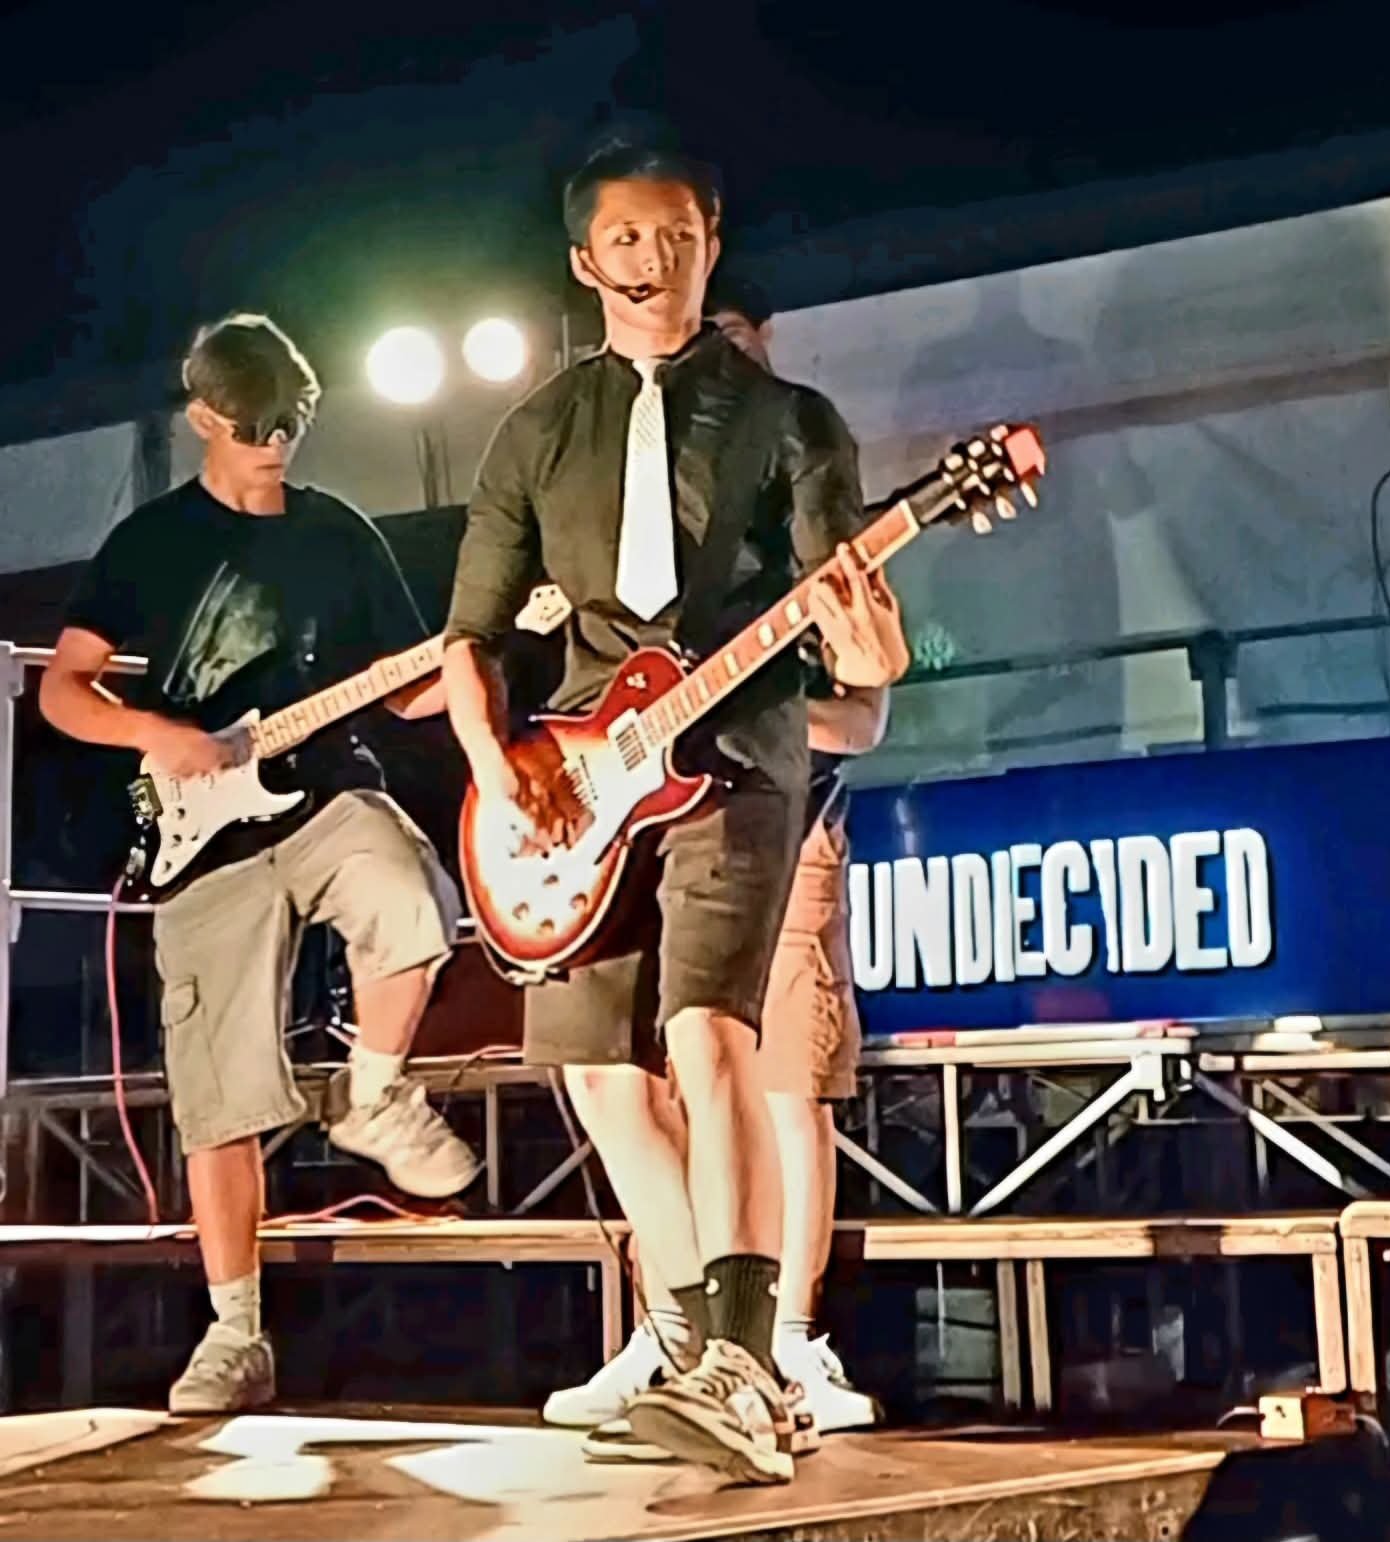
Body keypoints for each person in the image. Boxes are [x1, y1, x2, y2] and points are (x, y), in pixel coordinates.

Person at [442, 137, 887, 1484]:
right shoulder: (537, 428)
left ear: (711, 245)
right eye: (628, 239)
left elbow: (850, 627)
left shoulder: (789, 418)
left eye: (679, 236)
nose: (655, 259)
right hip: (582, 770)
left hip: (737, 759)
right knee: (597, 1069)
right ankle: (692, 1336)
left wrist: (870, 648)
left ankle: (748, 1357)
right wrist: (495, 760)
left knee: (707, 1031)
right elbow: (470, 637)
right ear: (586, 260)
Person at [39, 314, 479, 1415]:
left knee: (413, 894)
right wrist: (155, 733)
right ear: (202, 417)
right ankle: (235, 1335)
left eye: (292, 423)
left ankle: (374, 1095)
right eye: (253, 427)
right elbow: (63, 688)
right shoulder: (150, 542)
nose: (275, 444)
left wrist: (471, 670)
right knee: (220, 1096)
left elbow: (402, 687)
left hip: (325, 792)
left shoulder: (339, 534)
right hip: (200, 833)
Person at [543, 279, 905, 1457]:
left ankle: (784, 1340)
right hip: (647, 837)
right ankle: (679, 1328)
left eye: (731, 350)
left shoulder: (803, 500)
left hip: (784, 832)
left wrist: (754, 717)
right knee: (623, 1082)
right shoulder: (625, 512)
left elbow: (866, 714)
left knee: (776, 1083)